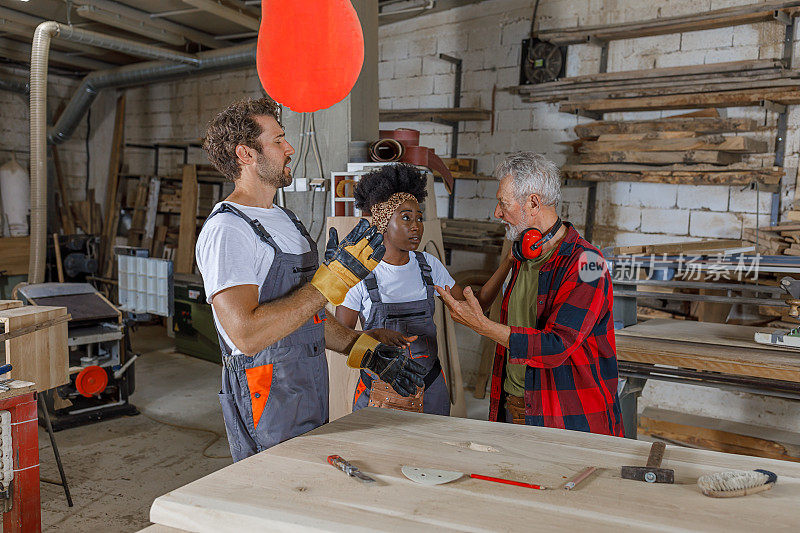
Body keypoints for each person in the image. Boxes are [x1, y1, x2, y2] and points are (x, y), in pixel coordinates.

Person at [195, 98, 427, 462]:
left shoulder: (286, 220)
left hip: (308, 382)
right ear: (245, 154)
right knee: (277, 493)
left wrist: (363, 348)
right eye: (278, 140)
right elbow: (247, 334)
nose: (290, 149)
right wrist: (328, 283)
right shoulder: (228, 230)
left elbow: (306, 319)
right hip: (266, 390)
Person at [437, 152, 624, 437]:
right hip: (514, 408)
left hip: (566, 418)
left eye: (503, 202)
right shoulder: (526, 253)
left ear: (533, 202)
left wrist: (483, 328)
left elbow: (557, 345)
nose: (497, 213)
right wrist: (509, 261)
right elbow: (488, 304)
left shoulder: (589, 264)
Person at [336, 163, 512, 415]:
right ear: (384, 221)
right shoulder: (360, 273)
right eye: (406, 218)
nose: (416, 226)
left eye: (419, 218)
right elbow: (342, 339)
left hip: (430, 386)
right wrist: (376, 334)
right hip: (380, 391)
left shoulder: (427, 265)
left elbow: (478, 305)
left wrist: (508, 262)